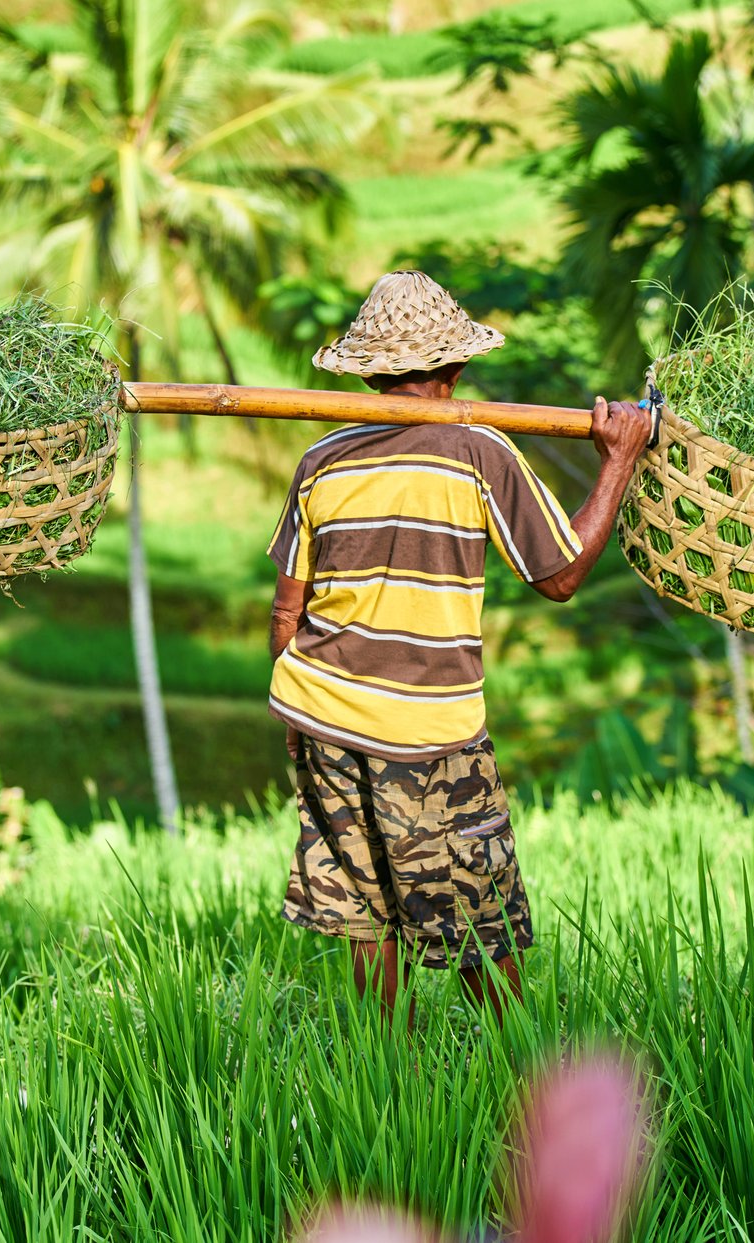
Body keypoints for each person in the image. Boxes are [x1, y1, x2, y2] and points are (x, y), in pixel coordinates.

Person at [266, 270, 649, 1023]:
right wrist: (620, 460)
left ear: (372, 373)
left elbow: (287, 612)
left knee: (366, 911)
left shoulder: (322, 461)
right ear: (456, 367)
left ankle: (390, 1075)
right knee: (481, 910)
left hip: (320, 714)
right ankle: (513, 1068)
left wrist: (298, 717)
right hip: (428, 732)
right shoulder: (478, 452)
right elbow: (562, 573)